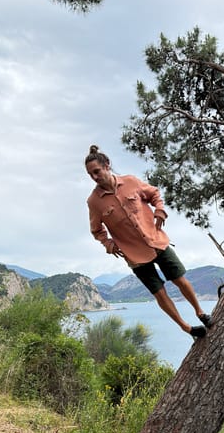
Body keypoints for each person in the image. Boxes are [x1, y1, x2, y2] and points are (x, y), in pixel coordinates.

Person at [85, 145, 212, 339]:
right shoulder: (94, 201)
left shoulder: (130, 181)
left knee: (180, 279)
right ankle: (186, 328)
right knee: (160, 294)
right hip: (134, 256)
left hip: (157, 241)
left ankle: (200, 312)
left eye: (96, 171)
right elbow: (96, 230)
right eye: (90, 174)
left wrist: (159, 209)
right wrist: (108, 244)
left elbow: (154, 194)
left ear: (107, 165)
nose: (94, 177)